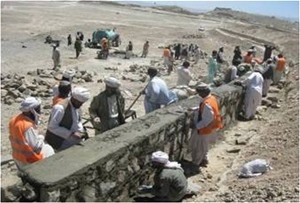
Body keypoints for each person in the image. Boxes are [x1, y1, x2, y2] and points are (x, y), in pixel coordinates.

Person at [9, 97, 55, 170]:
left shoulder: (14, 119)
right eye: (37, 109)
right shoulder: (27, 126)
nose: (39, 111)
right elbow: (36, 147)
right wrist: (41, 138)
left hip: (17, 157)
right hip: (28, 160)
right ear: (30, 111)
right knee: (49, 149)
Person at [45, 87, 90, 151]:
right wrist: (71, 134)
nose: (81, 105)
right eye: (79, 103)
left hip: (74, 142)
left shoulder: (77, 106)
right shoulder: (60, 108)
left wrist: (82, 131)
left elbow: (77, 121)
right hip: (61, 143)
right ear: (74, 99)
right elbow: (52, 127)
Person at [189, 83, 223, 167]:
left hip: (205, 129)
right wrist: (196, 109)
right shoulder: (211, 98)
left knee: (199, 147)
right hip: (211, 127)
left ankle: (196, 163)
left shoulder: (207, 103)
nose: (199, 95)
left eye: (199, 93)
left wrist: (196, 126)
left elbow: (208, 119)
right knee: (204, 146)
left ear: (203, 93)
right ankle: (204, 159)